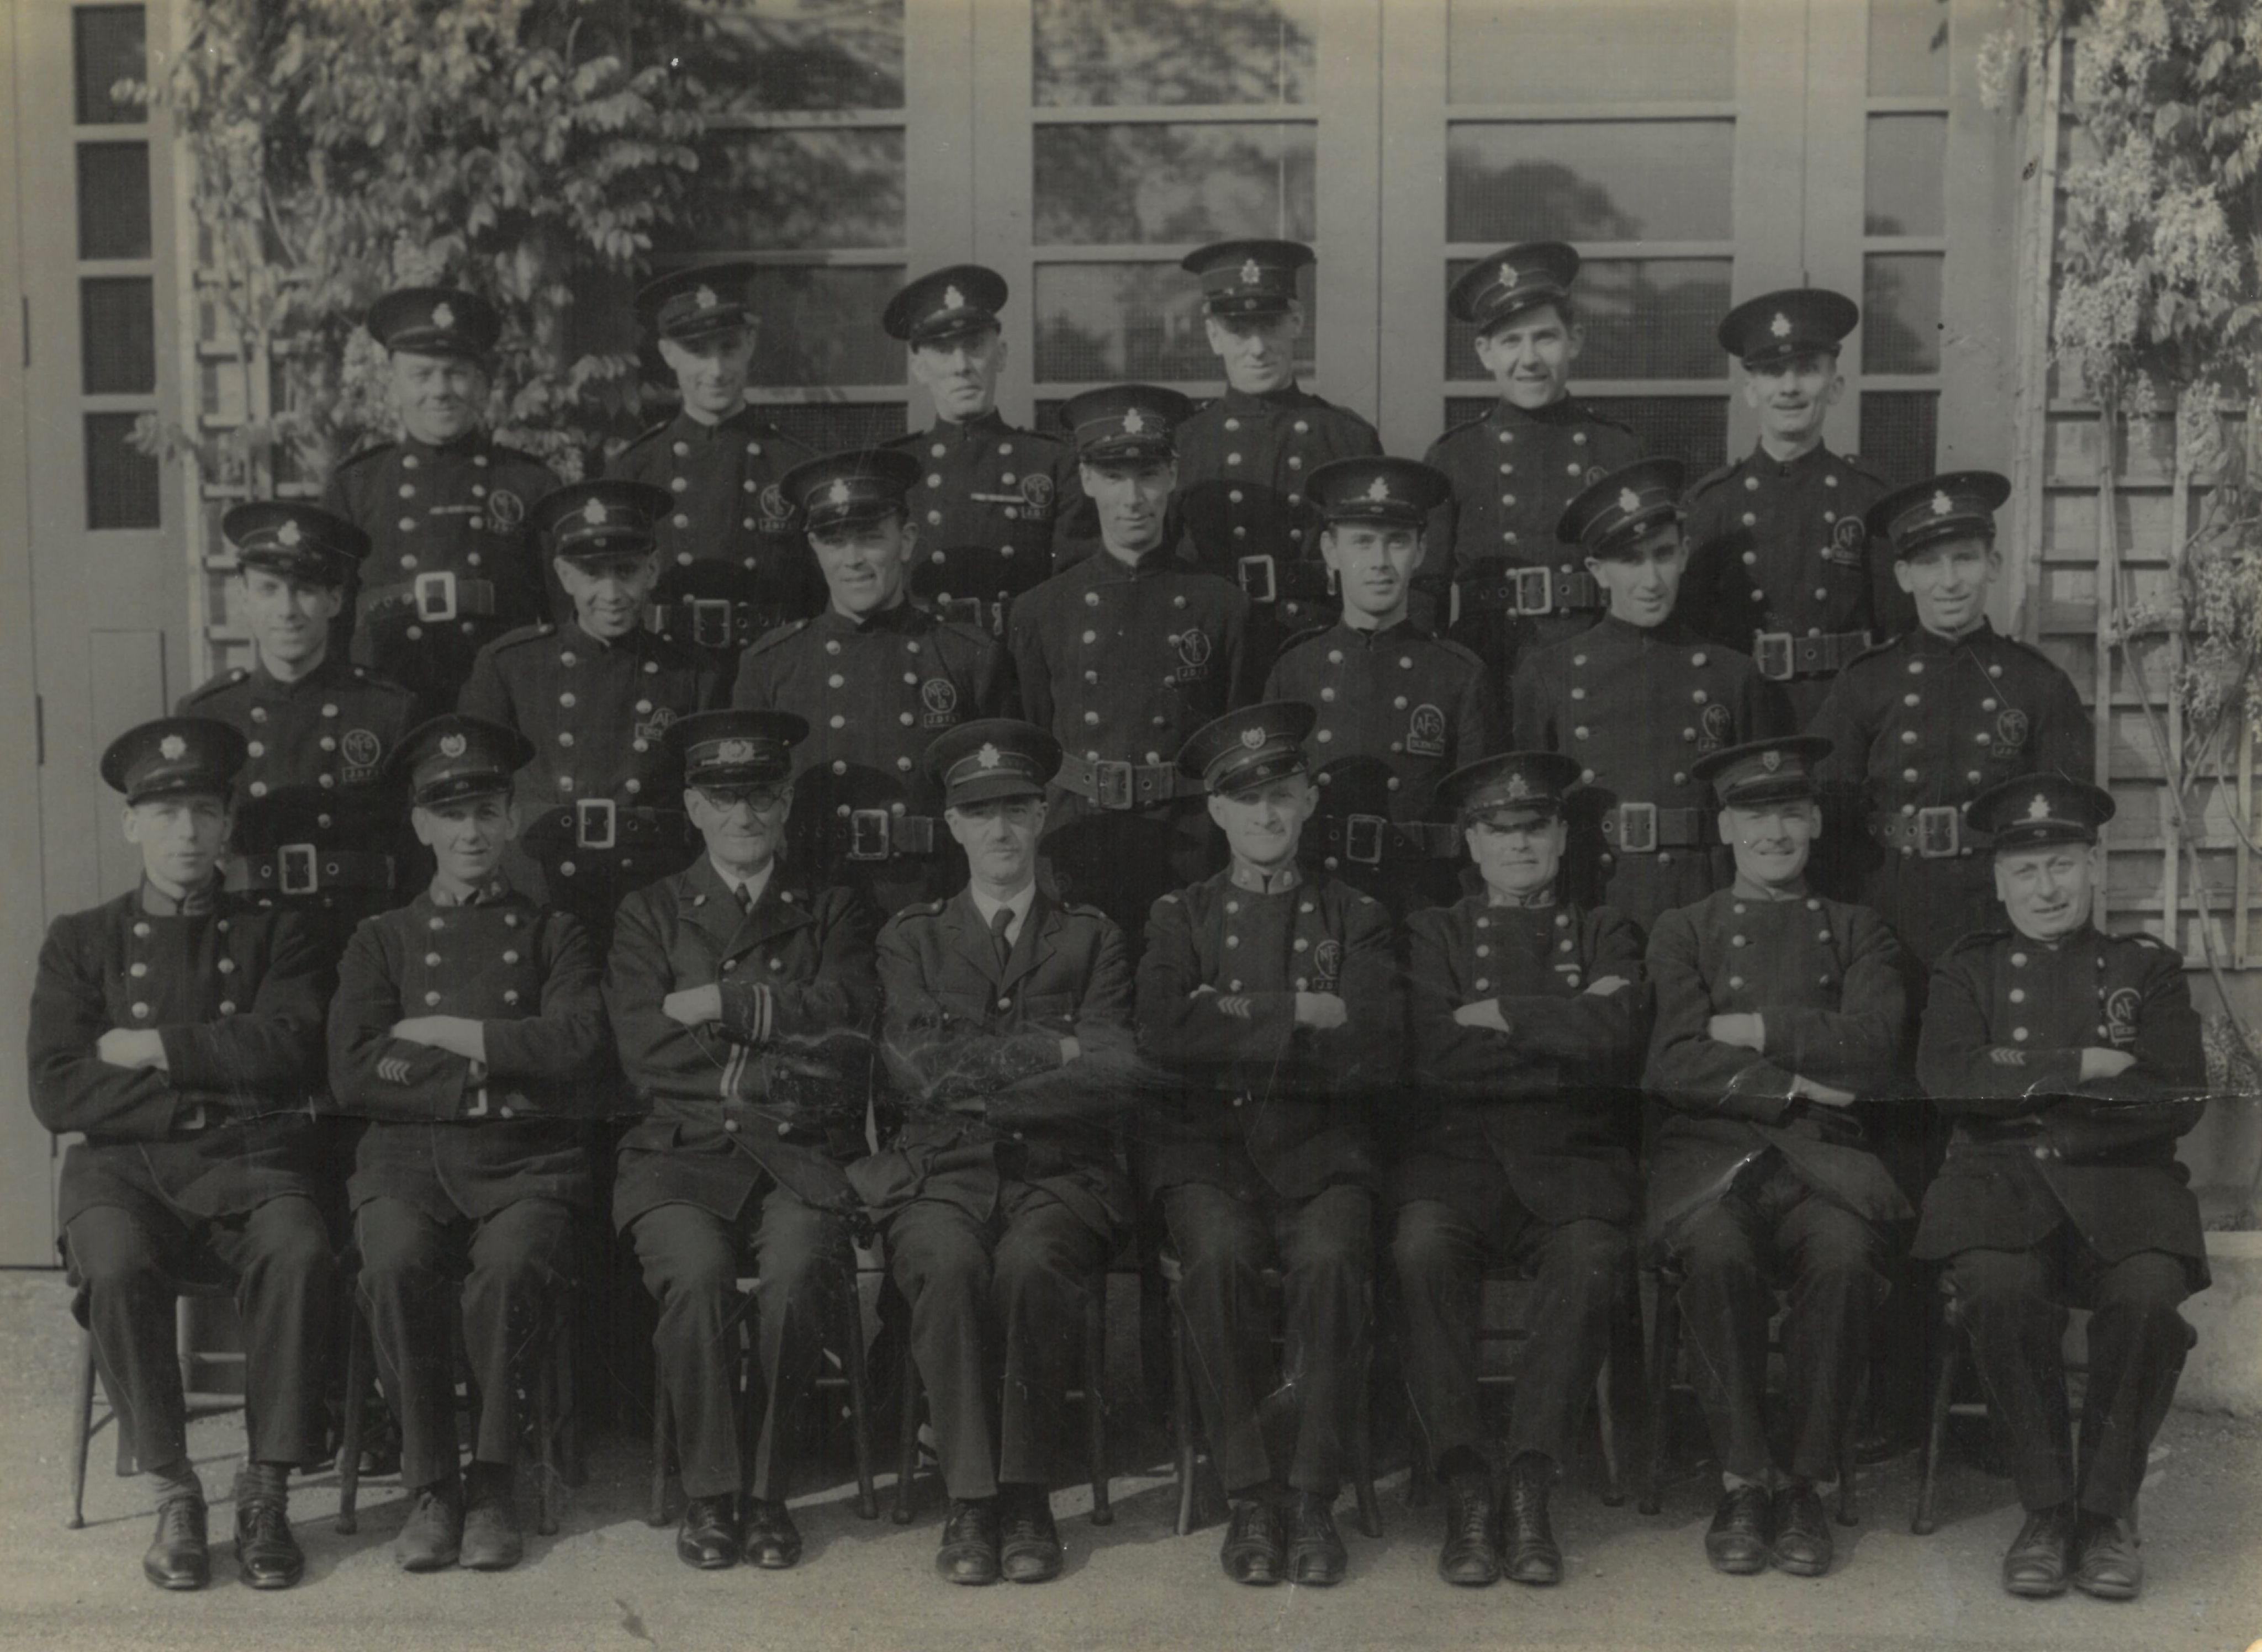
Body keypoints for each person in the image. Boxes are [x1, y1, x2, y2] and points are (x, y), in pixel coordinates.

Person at [28, 717, 337, 1593]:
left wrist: (154, 1046)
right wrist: (213, 1073)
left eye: (204, 812)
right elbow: (57, 1087)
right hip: (119, 1176)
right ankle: (174, 1493)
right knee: (117, 1265)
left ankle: (267, 1491)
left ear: (228, 823)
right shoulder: (80, 940)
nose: (187, 834)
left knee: (301, 1247)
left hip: (251, 1164)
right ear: (132, 825)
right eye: (165, 816)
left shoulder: (280, 934)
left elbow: (292, 1050)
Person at [325, 714, 610, 1574]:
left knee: (513, 1268)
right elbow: (354, 1070)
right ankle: (431, 1487)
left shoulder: (554, 932)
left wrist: (444, 1031)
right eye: (451, 816)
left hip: (526, 1166)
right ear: (421, 827)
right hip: (406, 1166)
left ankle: (491, 1482)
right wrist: (493, 1066)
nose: (472, 833)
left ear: (513, 819)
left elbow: (576, 1045)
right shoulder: (382, 938)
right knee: (394, 1263)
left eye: (487, 812)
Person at [1914, 775, 2208, 1603]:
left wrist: (2031, 1106)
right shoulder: (1965, 970)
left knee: (2150, 1297)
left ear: (2092, 869)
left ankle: (2105, 1513)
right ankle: (2046, 1510)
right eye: (2026, 873)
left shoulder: (2145, 969)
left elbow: (2177, 1097)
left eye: (2062, 868)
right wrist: (2083, 1066)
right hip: (1999, 1195)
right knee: (2000, 1291)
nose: (2045, 890)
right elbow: (1948, 1081)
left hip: (2124, 1193)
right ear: (2000, 882)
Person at [859, 718, 1139, 1586]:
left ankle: (1024, 1496)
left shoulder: (1093, 936)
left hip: (1059, 1176)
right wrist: (1053, 1053)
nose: (1002, 830)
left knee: (1030, 1267)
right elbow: (916, 1072)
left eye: (1017, 808)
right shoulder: (912, 937)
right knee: (943, 1266)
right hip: (941, 1169)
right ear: (952, 827)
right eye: (981, 813)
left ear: (1043, 815)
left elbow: (1116, 1071)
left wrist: (992, 1071)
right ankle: (970, 1502)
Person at [1136, 702, 1400, 1588]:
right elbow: (1163, 1033)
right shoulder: (1180, 915)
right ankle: (1249, 1494)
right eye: (1246, 802)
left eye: (1282, 796)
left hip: (1325, 1155)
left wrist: (1227, 1019)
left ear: (1310, 801)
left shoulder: (1355, 914)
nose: (1267, 818)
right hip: (1209, 1156)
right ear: (1216, 813)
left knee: (1330, 1264)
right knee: (1214, 1263)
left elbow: (1374, 1046)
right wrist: (1296, 1013)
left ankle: (1314, 1494)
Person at [607, 709, 878, 1572]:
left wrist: (727, 1007)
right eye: (725, 798)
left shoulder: (831, 907)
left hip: (797, 1154)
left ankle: (767, 1496)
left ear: (788, 801)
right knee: (696, 1275)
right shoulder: (649, 912)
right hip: (677, 1155)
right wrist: (777, 1047)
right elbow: (646, 1049)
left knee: (799, 1276)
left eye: (761, 795)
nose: (745, 816)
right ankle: (711, 1496)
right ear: (694, 808)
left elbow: (848, 1025)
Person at [1642, 735, 1912, 1580]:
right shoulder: (1683, 929)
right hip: (1712, 1163)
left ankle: (1805, 1480)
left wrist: (1755, 1031)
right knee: (1717, 1258)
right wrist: (1801, 1085)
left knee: (1842, 1259)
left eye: (1791, 814)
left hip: (1827, 1165)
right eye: (1756, 817)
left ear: (1816, 821)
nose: (1775, 833)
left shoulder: (1861, 929)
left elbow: (1873, 1051)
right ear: (1726, 827)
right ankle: (1741, 1479)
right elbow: (1673, 1063)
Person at [1393, 751, 1645, 1588]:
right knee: (1420, 1252)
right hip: (1457, 1165)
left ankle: (1532, 1480)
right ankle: (1467, 1484)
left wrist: (1499, 1012)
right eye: (1500, 832)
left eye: (1535, 827)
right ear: (1471, 843)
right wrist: (1564, 1030)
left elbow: (1617, 1041)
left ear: (1563, 835)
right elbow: (1432, 1054)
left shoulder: (1607, 928)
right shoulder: (1434, 932)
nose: (1520, 846)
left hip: (1572, 1168)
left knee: (1591, 1260)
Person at [1808, 470, 2092, 966]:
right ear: (1902, 576)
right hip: (1886, 907)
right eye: (1928, 563)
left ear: (1993, 564)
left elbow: (2068, 830)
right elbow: (1830, 818)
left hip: (1996, 912)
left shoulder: (2039, 684)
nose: (1949, 581)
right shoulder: (1866, 681)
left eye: (1965, 558)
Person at [1008, 384, 1253, 938]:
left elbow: (1234, 740)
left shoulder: (1224, 606)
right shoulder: (1042, 610)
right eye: (1114, 477)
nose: (1133, 497)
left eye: (1147, 474)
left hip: (1188, 838)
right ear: (1088, 480)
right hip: (1080, 837)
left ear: (1172, 475)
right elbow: (1036, 734)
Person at [731, 448, 1008, 918]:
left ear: (906, 540)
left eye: (870, 538)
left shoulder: (966, 655)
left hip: (934, 904)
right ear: (814, 548)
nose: (854, 559)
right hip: (814, 904)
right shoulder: (772, 664)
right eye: (835, 541)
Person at [1511, 458, 1786, 930]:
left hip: (1705, 905)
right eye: (1630, 561)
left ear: (1684, 554)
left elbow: (1763, 817)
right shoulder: (1548, 674)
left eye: (1662, 555)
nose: (1651, 581)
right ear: (1598, 570)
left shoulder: (1733, 674)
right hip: (1592, 905)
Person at [457, 478, 718, 949]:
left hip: (653, 896)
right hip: (540, 893)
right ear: (564, 575)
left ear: (654, 569)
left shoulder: (693, 673)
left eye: (627, 570)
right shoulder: (511, 665)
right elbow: (474, 800)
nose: (612, 592)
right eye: (593, 573)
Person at [179, 501, 419, 959]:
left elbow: (414, 858)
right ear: (244, 598)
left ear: (335, 599)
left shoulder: (387, 710)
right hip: (249, 944)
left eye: (305, 589)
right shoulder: (207, 715)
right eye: (269, 590)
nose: (287, 610)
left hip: (357, 942)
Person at [1264, 456, 1497, 914]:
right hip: (1320, 905)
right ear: (1330, 551)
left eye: (1397, 542)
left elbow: (1482, 822)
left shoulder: (1459, 675)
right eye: (1362, 543)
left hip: (1424, 904)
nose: (1380, 563)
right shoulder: (1294, 670)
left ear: (1422, 550)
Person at [1417, 242, 1642, 698]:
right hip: (1490, 672)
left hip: (1598, 671)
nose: (1530, 360)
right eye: (1510, 342)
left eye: (1545, 337)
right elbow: (1425, 595)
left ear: (1574, 339)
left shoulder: (1618, 450)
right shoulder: (1454, 458)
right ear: (1485, 352)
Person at [324, 286, 557, 716]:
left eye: (456, 373)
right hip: (387, 702)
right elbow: (331, 623)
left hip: (500, 703)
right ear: (394, 385)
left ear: (483, 385)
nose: (440, 390)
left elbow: (560, 620)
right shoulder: (356, 487)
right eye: (422, 375)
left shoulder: (529, 484)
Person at [1680, 289, 1904, 723]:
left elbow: (1898, 633)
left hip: (1846, 716)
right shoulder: (1712, 504)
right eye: (1771, 372)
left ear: (1835, 386)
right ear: (1750, 391)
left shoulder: (1870, 499)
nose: (1789, 388)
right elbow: (1690, 640)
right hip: (1743, 717)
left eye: (1806, 370)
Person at [1170, 240, 1383, 675]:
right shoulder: (1185, 443)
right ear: (1213, 336)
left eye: (1269, 325)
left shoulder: (1346, 438)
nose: (1257, 348)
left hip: (1321, 647)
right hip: (1214, 651)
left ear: (1297, 322)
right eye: (1238, 330)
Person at [607, 263, 822, 692]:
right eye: (698, 352)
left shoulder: (794, 467)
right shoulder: (634, 471)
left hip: (773, 672)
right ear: (668, 353)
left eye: (728, 347)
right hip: (667, 675)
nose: (716, 369)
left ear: (750, 344)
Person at [882, 264, 1093, 632]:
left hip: (1018, 669)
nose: (962, 366)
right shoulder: (893, 470)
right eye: (943, 350)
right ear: (919, 367)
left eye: (975, 346)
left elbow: (1075, 591)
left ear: (1002, 355)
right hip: (919, 663)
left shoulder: (1052, 463)